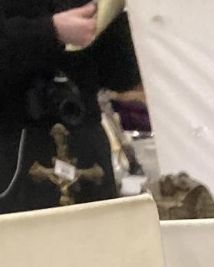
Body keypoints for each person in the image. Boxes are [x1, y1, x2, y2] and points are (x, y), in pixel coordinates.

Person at [1, 4, 141, 213]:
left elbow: (119, 77)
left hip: (86, 149)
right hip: (15, 150)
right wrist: (50, 31)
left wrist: (116, 18)